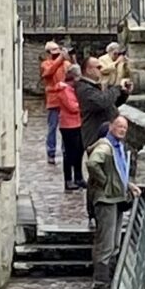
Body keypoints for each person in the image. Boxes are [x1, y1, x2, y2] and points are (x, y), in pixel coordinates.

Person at [84, 110, 133, 289]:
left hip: (116, 198)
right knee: (107, 243)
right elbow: (92, 163)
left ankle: (110, 280)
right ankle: (101, 283)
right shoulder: (106, 146)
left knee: (115, 243)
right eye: (119, 126)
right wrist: (104, 182)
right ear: (111, 127)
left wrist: (129, 185)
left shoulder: (119, 147)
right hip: (106, 200)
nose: (122, 130)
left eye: (125, 128)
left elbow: (118, 172)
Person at [74, 51, 133, 153]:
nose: (101, 70)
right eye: (98, 68)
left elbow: (110, 104)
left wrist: (124, 93)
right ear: (89, 70)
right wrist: (118, 88)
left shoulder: (92, 87)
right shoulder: (84, 88)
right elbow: (102, 102)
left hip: (105, 136)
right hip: (95, 137)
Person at [55, 61, 85, 193]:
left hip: (77, 123)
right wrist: (82, 106)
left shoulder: (72, 90)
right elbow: (72, 107)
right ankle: (68, 179)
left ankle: (78, 177)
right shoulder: (64, 90)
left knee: (79, 151)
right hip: (68, 125)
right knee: (69, 153)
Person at [37, 41, 69, 165]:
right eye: (54, 51)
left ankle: (66, 150)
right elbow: (48, 72)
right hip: (53, 100)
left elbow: (73, 73)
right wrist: (60, 59)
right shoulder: (46, 64)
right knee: (52, 128)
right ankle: (51, 152)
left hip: (65, 100)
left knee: (66, 127)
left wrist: (69, 58)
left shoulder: (64, 63)